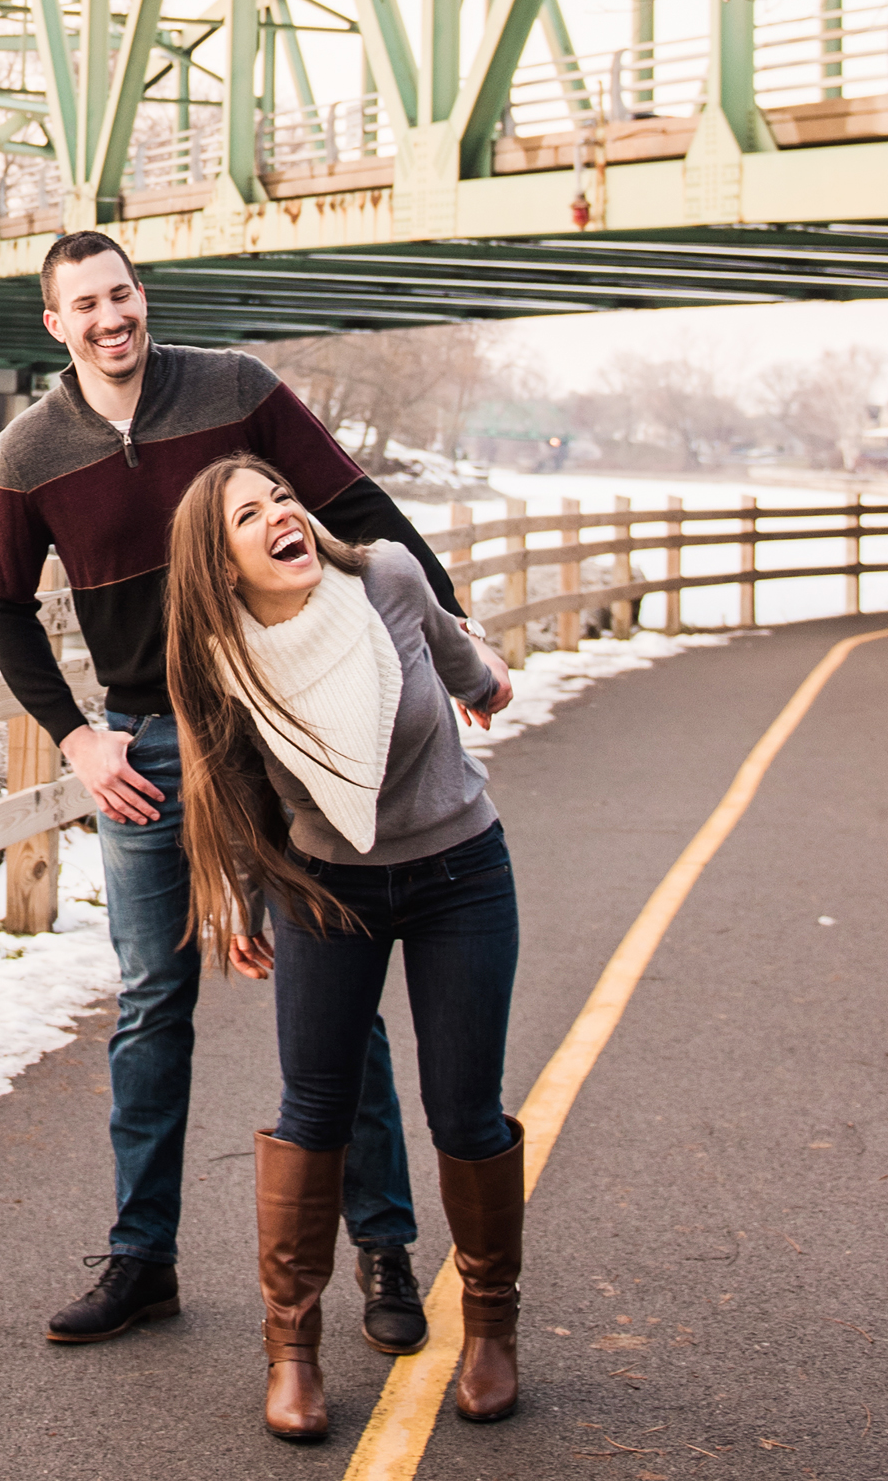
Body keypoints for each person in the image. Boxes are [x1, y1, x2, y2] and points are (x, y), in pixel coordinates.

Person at [0, 229, 474, 1350]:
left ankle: (382, 1248)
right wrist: (73, 738)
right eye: (83, 305)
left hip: (284, 730)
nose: (110, 318)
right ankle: (141, 1257)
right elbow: (1, 603)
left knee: (332, 992)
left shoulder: (235, 388)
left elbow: (358, 505)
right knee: (153, 1001)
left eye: (121, 293)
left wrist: (452, 635)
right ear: (53, 324)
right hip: (144, 751)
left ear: (140, 296)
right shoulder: (30, 448)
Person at [165, 454, 522, 1442]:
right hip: (328, 887)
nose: (281, 512)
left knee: (464, 1108)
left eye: (282, 494)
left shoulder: (388, 580)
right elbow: (232, 788)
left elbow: (463, 668)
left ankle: (490, 1327)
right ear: (222, 560)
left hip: (459, 871)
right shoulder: (222, 655)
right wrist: (238, 899)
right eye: (250, 512)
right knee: (311, 1107)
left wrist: (487, 680)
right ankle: (292, 1351)